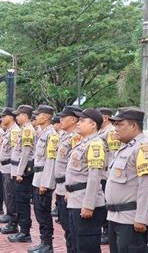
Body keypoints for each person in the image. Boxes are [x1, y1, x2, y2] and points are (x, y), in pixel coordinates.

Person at [105, 108, 148, 252]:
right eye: (115, 124)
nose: (115, 128)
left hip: (131, 218)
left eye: (120, 124)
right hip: (115, 217)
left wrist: (141, 218)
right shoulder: (125, 148)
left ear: (133, 126)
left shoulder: (143, 148)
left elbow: (146, 186)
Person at [66, 108, 107, 253]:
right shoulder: (82, 143)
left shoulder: (95, 144)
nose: (78, 123)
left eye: (82, 121)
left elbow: (94, 177)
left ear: (93, 125)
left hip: (85, 201)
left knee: (87, 245)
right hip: (76, 199)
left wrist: (89, 205)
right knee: (76, 243)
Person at [29, 105, 59, 252]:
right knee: (39, 211)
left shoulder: (51, 134)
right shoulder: (43, 132)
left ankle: (48, 245)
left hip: (44, 179)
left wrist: (45, 183)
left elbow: (50, 160)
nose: (36, 117)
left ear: (47, 117)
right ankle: (43, 242)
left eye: (39, 115)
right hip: (38, 176)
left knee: (44, 212)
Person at [54, 106, 82, 252]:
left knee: (73, 230)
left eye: (63, 118)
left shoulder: (76, 138)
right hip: (60, 187)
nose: (60, 120)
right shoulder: (65, 136)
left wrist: (67, 189)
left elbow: (76, 168)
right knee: (66, 227)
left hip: (68, 188)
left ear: (72, 120)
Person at [8, 105, 36, 244]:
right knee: (18, 201)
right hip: (18, 170)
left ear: (25, 115)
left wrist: (19, 172)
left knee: (22, 202)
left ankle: (25, 232)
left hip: (23, 173)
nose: (17, 117)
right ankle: (22, 230)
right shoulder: (24, 130)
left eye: (18, 115)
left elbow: (25, 153)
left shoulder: (28, 131)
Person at [97, 107, 121, 245]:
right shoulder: (103, 131)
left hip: (107, 174)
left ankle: (106, 232)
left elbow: (113, 154)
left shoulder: (111, 132)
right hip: (103, 173)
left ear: (105, 118)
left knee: (107, 204)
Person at [0, 108, 20, 234]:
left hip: (10, 167)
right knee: (7, 195)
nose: (2, 119)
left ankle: (13, 223)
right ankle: (10, 217)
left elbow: (15, 152)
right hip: (5, 167)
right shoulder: (9, 131)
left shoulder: (15, 132)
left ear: (10, 117)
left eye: (4, 116)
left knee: (11, 196)